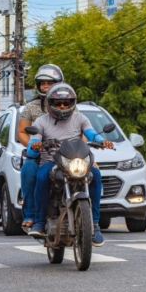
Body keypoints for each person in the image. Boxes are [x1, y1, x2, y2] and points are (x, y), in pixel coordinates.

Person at [26, 83, 114, 247]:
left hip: (76, 161)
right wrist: (36, 145)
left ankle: (94, 224)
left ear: (72, 103)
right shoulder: (41, 121)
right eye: (58, 103)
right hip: (52, 162)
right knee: (42, 177)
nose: (62, 106)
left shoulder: (80, 118)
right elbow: (33, 142)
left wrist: (103, 141)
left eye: (66, 103)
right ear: (49, 103)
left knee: (96, 175)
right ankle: (39, 222)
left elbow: (91, 134)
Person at [17, 64, 64, 228]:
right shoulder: (31, 107)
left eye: (50, 83)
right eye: (42, 83)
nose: (46, 86)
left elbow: (81, 131)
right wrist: (34, 144)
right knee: (28, 171)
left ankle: (90, 217)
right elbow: (22, 132)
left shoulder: (67, 103)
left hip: (64, 153)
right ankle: (31, 214)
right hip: (40, 154)